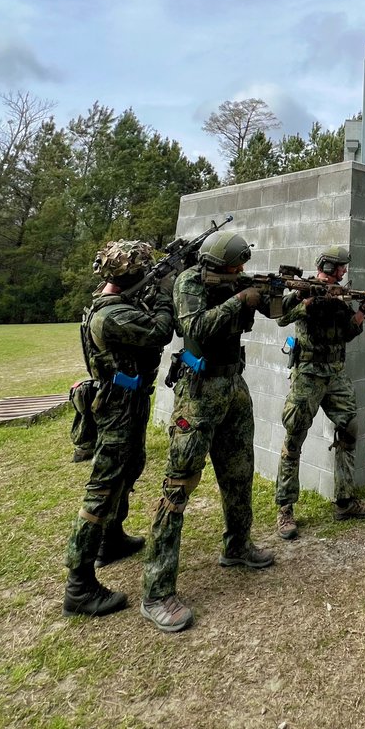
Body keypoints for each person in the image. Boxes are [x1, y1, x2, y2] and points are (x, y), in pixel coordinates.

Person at [140, 229, 275, 634]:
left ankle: (237, 546)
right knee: (178, 486)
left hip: (234, 385)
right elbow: (195, 326)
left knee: (239, 472)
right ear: (219, 266)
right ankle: (157, 591)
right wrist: (240, 299)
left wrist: (278, 295)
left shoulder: (236, 281)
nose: (242, 272)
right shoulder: (189, 282)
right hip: (198, 393)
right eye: (237, 267)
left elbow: (274, 313)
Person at [63, 240, 175, 618]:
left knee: (131, 466)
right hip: (116, 404)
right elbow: (160, 331)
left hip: (127, 399)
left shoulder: (113, 301)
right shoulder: (110, 314)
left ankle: (110, 540)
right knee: (104, 484)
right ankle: (79, 585)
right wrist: (163, 294)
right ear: (133, 275)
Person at [275, 245, 365, 541]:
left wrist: (363, 311)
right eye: (341, 266)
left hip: (335, 374)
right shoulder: (305, 288)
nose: (344, 271)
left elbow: (346, 332)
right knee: (294, 437)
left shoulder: (341, 295)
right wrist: (306, 304)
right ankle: (285, 509)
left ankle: (345, 501)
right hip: (307, 374)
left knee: (349, 429)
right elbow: (281, 318)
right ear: (329, 266)